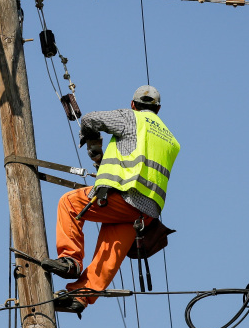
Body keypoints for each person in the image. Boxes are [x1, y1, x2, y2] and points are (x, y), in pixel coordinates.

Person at [41, 85, 180, 315]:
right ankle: (81, 296)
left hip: (124, 197)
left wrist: (94, 147)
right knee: (111, 251)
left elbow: (90, 120)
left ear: (133, 104)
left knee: (69, 203)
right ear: (158, 108)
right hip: (145, 213)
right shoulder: (171, 140)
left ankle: (70, 260)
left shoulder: (131, 117)